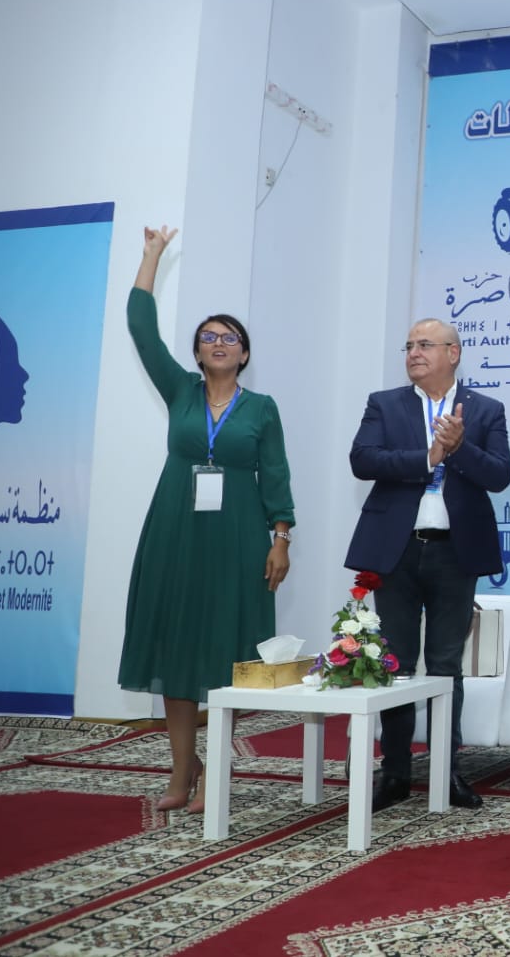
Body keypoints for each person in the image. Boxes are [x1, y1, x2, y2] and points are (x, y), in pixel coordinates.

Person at [120, 225, 293, 813]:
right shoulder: (180, 391)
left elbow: (276, 475)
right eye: (208, 337)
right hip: (175, 532)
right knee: (176, 651)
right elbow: (141, 329)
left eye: (229, 337)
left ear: (244, 353)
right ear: (197, 353)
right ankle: (180, 770)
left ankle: (215, 768)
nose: (218, 343)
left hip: (240, 538)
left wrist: (280, 538)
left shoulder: (262, 409)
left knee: (229, 655)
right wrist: (151, 255)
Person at [346, 318, 510, 812]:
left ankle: (445, 770)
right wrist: (427, 457)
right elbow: (363, 459)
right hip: (395, 550)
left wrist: (458, 450)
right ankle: (395, 770)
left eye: (425, 345)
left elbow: (499, 475)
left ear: (453, 353)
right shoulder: (385, 403)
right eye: (409, 345)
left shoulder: (486, 409)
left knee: (445, 665)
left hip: (455, 552)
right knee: (395, 663)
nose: (414, 353)